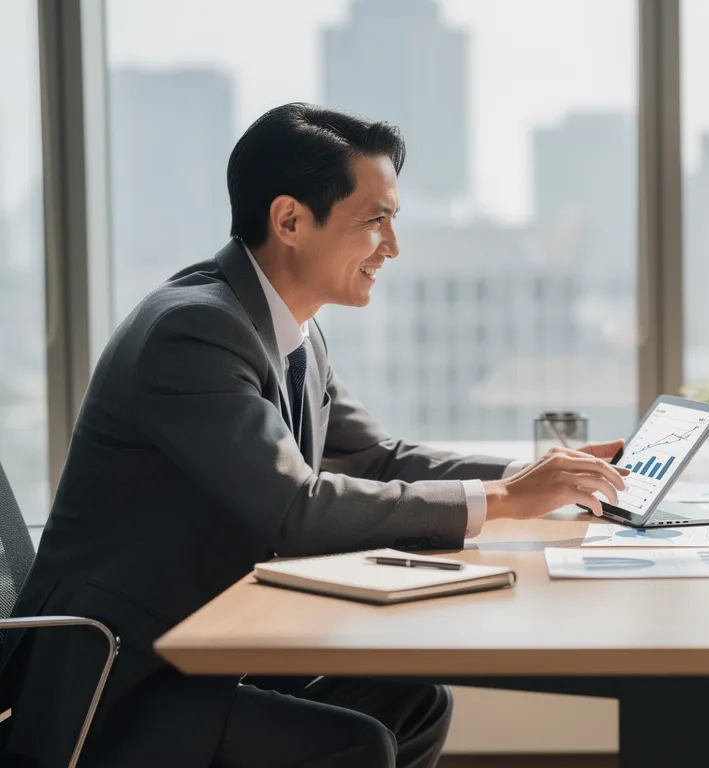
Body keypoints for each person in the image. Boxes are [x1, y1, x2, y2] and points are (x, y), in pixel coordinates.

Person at [0, 103, 629, 768]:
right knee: (353, 745)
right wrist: (502, 503)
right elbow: (295, 509)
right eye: (375, 220)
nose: (392, 245)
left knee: (415, 703)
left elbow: (375, 459)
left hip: (205, 648)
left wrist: (534, 477)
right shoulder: (192, 332)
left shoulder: (290, 331)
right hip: (120, 682)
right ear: (291, 220)